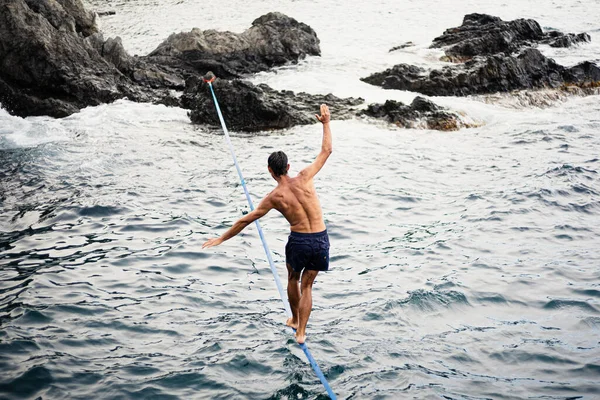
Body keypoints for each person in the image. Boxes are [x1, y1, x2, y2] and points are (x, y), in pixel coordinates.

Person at [202, 104, 333, 344]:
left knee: (294, 279)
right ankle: (302, 333)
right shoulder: (305, 176)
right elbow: (327, 150)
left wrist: (221, 238)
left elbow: (246, 220)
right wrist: (325, 123)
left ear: (271, 171)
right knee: (309, 286)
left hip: (300, 241)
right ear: (289, 167)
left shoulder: (274, 198)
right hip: (321, 238)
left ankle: (294, 320)